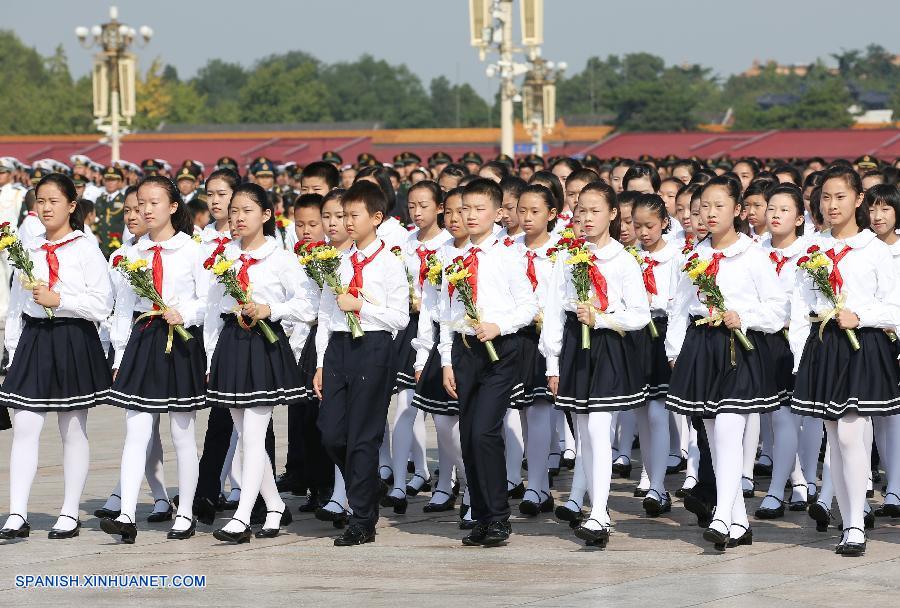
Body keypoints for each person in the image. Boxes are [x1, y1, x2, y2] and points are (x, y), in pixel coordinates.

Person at [666, 175, 788, 551]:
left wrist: (742, 316)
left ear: (737, 210)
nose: (710, 213)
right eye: (704, 206)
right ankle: (738, 521)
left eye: (720, 206)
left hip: (741, 347)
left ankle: (721, 513)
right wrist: (674, 352)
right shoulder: (693, 255)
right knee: (714, 441)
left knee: (728, 431)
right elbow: (680, 307)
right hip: (703, 347)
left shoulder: (753, 254)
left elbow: (778, 310)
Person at [791, 166, 900, 556]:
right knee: (834, 438)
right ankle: (847, 515)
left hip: (863, 345)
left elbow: (895, 307)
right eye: (825, 197)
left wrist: (860, 315)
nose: (832, 205)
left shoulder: (875, 249)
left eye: (840, 197)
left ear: (859, 200)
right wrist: (798, 353)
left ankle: (857, 523)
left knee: (853, 432)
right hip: (823, 346)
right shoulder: (811, 248)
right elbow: (800, 305)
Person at [0, 173, 113, 540]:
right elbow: (18, 306)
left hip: (71, 337)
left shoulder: (85, 247)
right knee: (26, 425)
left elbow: (102, 304)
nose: (46, 207)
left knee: (72, 426)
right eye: (40, 201)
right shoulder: (27, 248)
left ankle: (69, 511)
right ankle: (17, 513)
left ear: (71, 205)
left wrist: (60, 300)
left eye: (53, 201)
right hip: (35, 341)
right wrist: (16, 351)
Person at [101, 176, 211, 543]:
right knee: (137, 431)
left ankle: (185, 512)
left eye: (154, 203)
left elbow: (207, 301)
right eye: (141, 203)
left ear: (173, 207)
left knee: (182, 433)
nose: (146, 210)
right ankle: (127, 514)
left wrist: (185, 313)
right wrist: (120, 352)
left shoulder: (193, 251)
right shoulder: (131, 253)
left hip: (180, 342)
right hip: (145, 340)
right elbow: (123, 308)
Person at [207, 183, 318, 543]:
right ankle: (273, 505)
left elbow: (309, 304)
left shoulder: (280, 258)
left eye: (246, 211)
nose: (237, 218)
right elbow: (213, 309)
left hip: (264, 346)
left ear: (267, 216)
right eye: (233, 211)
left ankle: (241, 516)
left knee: (253, 435)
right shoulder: (223, 257)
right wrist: (211, 357)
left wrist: (271, 309)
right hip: (231, 344)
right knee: (245, 433)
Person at [541, 181, 649, 548]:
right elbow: (554, 310)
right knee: (585, 431)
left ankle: (599, 513)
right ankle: (586, 502)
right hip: (575, 345)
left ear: (613, 214)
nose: (586, 218)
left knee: (599, 429)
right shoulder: (567, 257)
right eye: (581, 211)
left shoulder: (623, 260)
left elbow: (639, 315)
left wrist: (602, 317)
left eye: (595, 211)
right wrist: (552, 362)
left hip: (608, 344)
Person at [440, 178, 538, 546]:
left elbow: (528, 306)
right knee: (467, 435)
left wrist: (500, 325)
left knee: (484, 430)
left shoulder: (510, 254)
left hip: (501, 350)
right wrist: (446, 360)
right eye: (465, 208)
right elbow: (445, 312)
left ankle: (498, 516)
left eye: (479, 209)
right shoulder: (451, 256)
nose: (470, 215)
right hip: (464, 350)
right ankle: (479, 513)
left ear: (498, 213)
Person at [313, 180, 410, 546]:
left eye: (354, 215)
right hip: (338, 348)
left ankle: (362, 519)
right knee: (332, 434)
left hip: (373, 347)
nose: (347, 222)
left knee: (363, 438)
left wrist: (362, 308)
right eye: (342, 215)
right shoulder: (335, 260)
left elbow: (400, 317)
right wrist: (322, 361)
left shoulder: (388, 262)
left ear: (376, 217)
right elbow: (325, 312)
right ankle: (366, 483)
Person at [382, 181, 450, 513]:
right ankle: (399, 481)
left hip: (440, 330)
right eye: (412, 205)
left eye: (424, 205)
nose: (417, 212)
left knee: (442, 415)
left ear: (440, 207)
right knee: (405, 409)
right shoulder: (404, 244)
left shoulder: (450, 245)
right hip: (410, 329)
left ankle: (447, 482)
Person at [411, 187, 469, 517]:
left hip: (475, 342)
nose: (457, 219)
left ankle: (474, 485)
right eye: (451, 212)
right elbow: (430, 307)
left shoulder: (491, 253)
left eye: (464, 212)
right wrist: (422, 356)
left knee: (472, 424)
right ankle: (451, 481)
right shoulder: (439, 254)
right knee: (444, 422)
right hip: (442, 344)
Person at [630, 193, 680, 516]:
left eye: (650, 225)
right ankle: (651, 479)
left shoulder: (676, 256)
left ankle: (659, 486)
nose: (644, 232)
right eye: (637, 226)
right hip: (635, 336)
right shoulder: (629, 257)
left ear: (664, 223)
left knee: (658, 413)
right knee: (641, 415)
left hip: (663, 333)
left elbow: (678, 303)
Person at [512, 184, 560, 516]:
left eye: (535, 212)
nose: (526, 218)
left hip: (546, 338)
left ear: (552, 214)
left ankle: (537, 484)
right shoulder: (508, 248)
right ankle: (529, 482)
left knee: (541, 409)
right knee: (518, 411)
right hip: (515, 337)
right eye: (522, 211)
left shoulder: (564, 251)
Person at [866, 183, 900, 519]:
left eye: (886, 209)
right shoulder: (861, 248)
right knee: (875, 417)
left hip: (896, 338)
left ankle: (895, 487)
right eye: (873, 209)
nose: (878, 216)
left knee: (895, 417)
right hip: (872, 340)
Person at [94, 166, 126, 257]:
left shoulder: (124, 200)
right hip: (100, 245)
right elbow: (94, 219)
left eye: (113, 180)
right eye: (107, 180)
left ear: (119, 182)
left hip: (117, 244)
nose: (110, 183)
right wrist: (95, 233)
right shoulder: (99, 199)